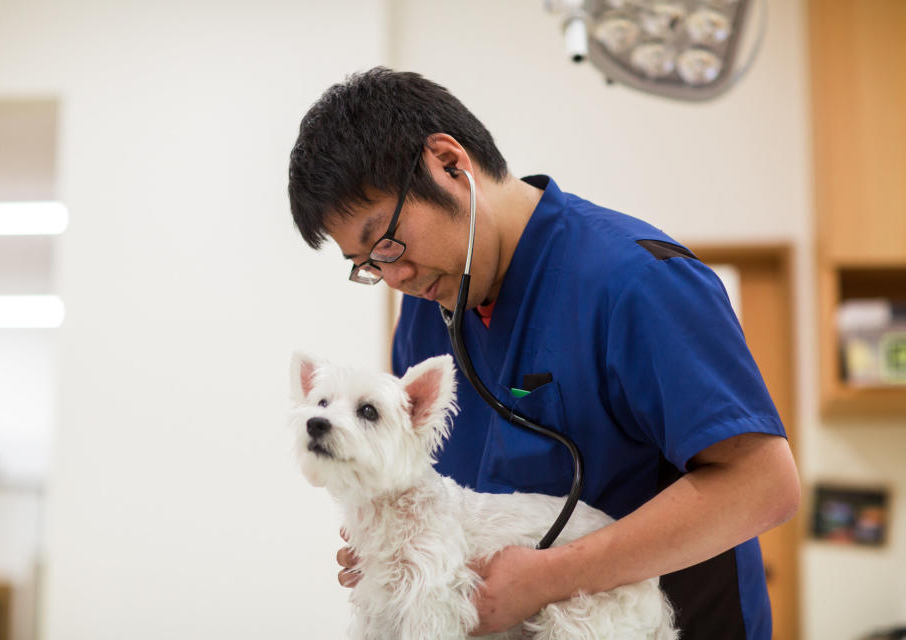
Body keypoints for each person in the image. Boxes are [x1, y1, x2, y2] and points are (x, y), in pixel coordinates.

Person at [287, 67, 800, 639]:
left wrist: (549, 577)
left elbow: (764, 486)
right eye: (367, 264)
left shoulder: (636, 282)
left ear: (449, 164)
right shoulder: (427, 313)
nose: (394, 276)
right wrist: (393, 543)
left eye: (386, 240)